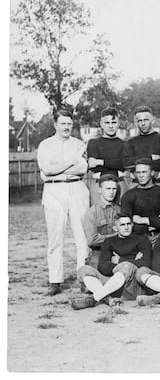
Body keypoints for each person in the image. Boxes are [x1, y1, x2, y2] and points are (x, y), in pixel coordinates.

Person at [37, 108, 90, 296]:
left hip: (77, 188)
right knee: (55, 237)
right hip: (53, 190)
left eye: (69, 123)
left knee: (82, 236)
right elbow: (47, 170)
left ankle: (84, 278)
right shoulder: (45, 144)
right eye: (63, 124)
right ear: (55, 124)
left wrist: (60, 167)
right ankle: (55, 280)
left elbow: (82, 168)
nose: (67, 127)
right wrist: (70, 163)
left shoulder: (78, 144)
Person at [71, 213, 151, 309]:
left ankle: (94, 299)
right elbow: (103, 267)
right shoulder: (109, 242)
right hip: (112, 283)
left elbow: (146, 263)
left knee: (126, 266)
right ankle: (108, 298)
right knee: (84, 270)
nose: (126, 227)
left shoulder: (142, 240)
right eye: (122, 225)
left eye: (129, 224)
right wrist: (128, 263)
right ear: (115, 228)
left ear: (132, 225)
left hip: (131, 285)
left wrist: (120, 261)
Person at [120, 158, 160, 243]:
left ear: (152, 173)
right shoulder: (128, 196)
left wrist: (144, 220)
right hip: (138, 238)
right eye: (138, 172)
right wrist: (155, 222)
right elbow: (125, 223)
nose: (141, 176)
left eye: (144, 172)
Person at [122, 105, 160, 188]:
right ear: (136, 123)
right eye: (140, 121)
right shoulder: (130, 142)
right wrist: (151, 157)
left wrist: (137, 161)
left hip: (158, 184)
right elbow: (126, 163)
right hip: (136, 185)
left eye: (146, 120)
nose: (143, 123)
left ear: (152, 120)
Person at [86, 106, 125, 205]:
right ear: (101, 124)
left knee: (121, 215)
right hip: (99, 183)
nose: (110, 126)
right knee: (99, 216)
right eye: (107, 123)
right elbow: (92, 166)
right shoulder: (93, 142)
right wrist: (115, 163)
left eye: (114, 122)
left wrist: (100, 162)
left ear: (118, 124)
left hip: (119, 183)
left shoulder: (124, 144)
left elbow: (123, 164)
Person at [82, 174, 121, 266]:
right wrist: (117, 235)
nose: (111, 192)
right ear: (100, 190)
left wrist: (102, 237)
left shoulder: (120, 210)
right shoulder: (92, 212)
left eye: (114, 189)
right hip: (99, 253)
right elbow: (92, 241)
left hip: (118, 252)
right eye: (108, 189)